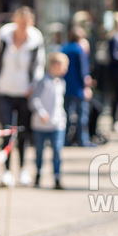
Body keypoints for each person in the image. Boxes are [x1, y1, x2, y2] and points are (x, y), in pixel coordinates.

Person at [0, 6, 45, 186]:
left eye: (26, 23)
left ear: (31, 23)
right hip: (3, 91)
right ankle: (7, 171)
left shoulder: (36, 38)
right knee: (7, 131)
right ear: (15, 21)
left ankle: (23, 169)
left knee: (23, 133)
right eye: (20, 22)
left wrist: (34, 85)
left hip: (24, 92)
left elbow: (40, 64)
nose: (23, 26)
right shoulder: (4, 34)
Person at [30, 52, 69, 190]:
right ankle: (38, 174)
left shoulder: (61, 82)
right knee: (39, 151)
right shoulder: (43, 82)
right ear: (56, 65)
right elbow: (34, 99)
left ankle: (57, 177)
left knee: (57, 151)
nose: (66, 69)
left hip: (58, 123)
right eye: (64, 66)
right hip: (41, 124)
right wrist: (42, 112)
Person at [62, 26, 95, 147]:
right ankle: (83, 139)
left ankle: (65, 139)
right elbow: (83, 70)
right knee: (82, 115)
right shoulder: (79, 50)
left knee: (66, 115)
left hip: (65, 87)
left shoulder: (64, 48)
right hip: (78, 88)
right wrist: (86, 86)